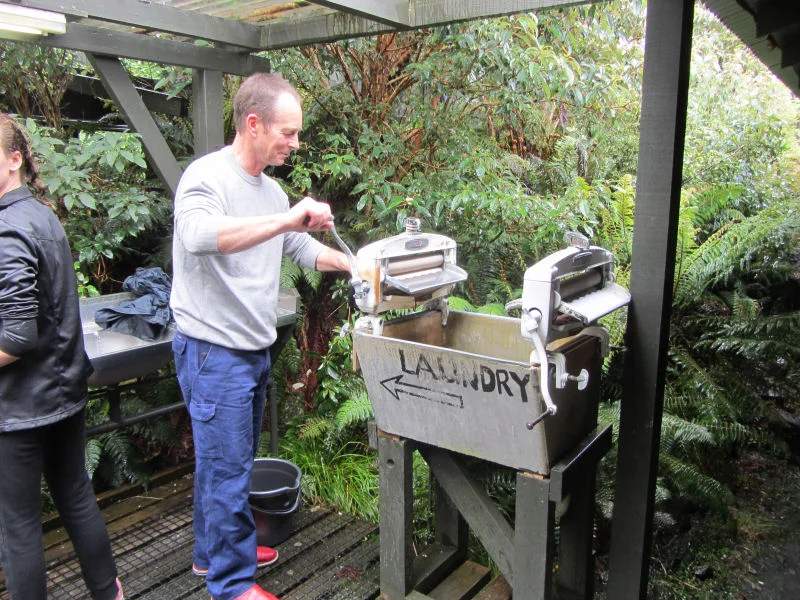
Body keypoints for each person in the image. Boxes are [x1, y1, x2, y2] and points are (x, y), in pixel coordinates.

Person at [170, 73, 350, 600]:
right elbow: (200, 236)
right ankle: (231, 585)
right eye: (288, 133)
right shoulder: (206, 178)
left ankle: (213, 556)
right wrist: (286, 219)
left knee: (227, 464)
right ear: (253, 124)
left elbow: (302, 251)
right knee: (228, 472)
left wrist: (359, 265)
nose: (295, 143)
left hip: (252, 349)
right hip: (212, 350)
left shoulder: (270, 190)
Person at [0, 114, 123, 600]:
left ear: (14, 161)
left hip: (20, 410)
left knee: (19, 525)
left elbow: (14, 336)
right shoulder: (42, 214)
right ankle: (107, 592)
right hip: (65, 395)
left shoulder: (8, 229)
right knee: (75, 497)